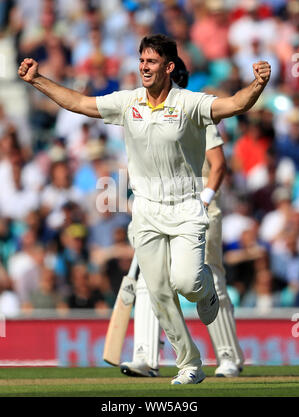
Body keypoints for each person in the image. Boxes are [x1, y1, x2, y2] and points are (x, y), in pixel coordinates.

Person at [18, 33, 271, 385]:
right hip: (147, 211)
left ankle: (206, 294)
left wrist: (257, 84)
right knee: (159, 293)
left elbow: (234, 105)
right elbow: (79, 103)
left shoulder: (189, 103)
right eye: (141, 61)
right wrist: (37, 81)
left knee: (186, 282)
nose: (143, 67)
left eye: (151, 62)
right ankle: (189, 364)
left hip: (186, 206)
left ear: (169, 67)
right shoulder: (128, 102)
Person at [120, 58, 244, 379]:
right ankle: (147, 355)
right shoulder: (147, 114)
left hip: (198, 208)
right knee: (153, 282)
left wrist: (204, 199)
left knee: (205, 280)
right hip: (156, 211)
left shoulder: (198, 112)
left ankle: (228, 357)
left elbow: (218, 165)